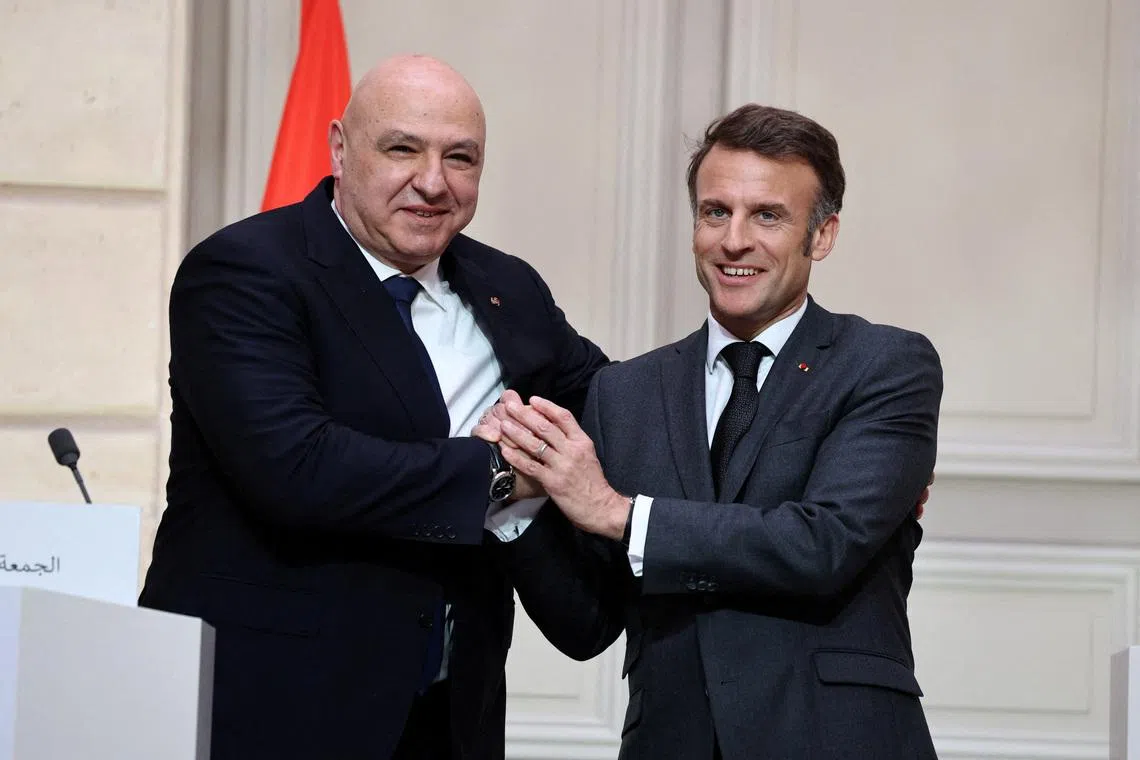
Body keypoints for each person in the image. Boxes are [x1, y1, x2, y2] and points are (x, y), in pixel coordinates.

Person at [138, 54, 607, 760]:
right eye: (401, 149)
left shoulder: (507, 286)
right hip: (274, 707)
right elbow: (299, 468)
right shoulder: (244, 272)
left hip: (450, 713)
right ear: (338, 149)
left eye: (461, 158)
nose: (432, 181)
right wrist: (505, 475)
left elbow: (610, 401)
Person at [479, 104, 942, 759]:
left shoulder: (886, 364)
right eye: (715, 211)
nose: (733, 241)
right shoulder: (625, 392)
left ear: (823, 235)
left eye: (768, 216)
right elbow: (586, 625)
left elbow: (822, 544)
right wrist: (518, 498)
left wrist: (619, 513)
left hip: (835, 739)